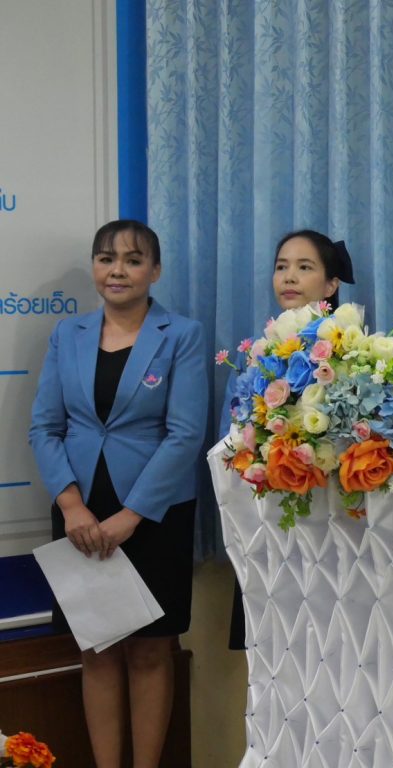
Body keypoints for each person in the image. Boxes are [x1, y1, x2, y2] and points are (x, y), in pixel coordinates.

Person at [28, 220, 208, 768]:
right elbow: (44, 428)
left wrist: (132, 515)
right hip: (80, 514)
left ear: (154, 270)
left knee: (152, 651)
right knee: (97, 650)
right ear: (94, 267)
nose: (118, 270)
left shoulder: (181, 334)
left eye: (133, 260)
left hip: (154, 512)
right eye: (106, 258)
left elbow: (185, 435)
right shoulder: (68, 334)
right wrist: (71, 505)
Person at [220, 229, 355, 648]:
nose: (289, 277)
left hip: (332, 528)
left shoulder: (352, 352)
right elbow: (230, 439)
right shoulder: (259, 353)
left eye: (304, 267)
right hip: (269, 525)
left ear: (331, 285)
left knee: (329, 647)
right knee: (271, 651)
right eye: (282, 267)